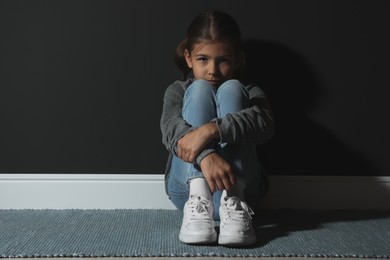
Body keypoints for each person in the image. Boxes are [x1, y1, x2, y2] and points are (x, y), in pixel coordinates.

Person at [160, 10, 274, 246]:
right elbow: (170, 131)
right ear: (189, 58)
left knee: (232, 88)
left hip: (244, 191)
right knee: (200, 89)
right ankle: (199, 197)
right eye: (203, 59)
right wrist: (206, 156)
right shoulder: (177, 91)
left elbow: (265, 125)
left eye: (222, 60)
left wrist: (211, 130)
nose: (213, 69)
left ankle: (233, 200)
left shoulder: (249, 91)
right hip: (187, 193)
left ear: (237, 60)